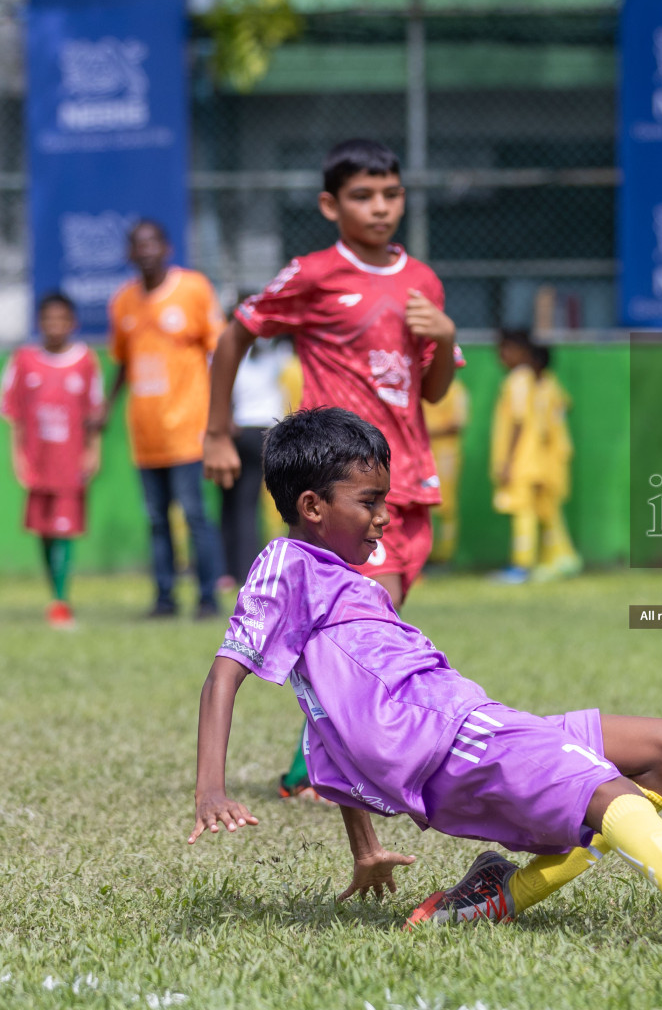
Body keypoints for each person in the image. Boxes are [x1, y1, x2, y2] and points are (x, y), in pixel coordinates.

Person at [188, 407, 662, 948]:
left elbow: (331, 722)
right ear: (310, 505)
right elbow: (225, 674)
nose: (385, 517)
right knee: (603, 788)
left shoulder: (344, 591)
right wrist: (210, 789)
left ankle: (503, 893)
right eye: (370, 502)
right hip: (453, 740)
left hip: (473, 728)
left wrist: (365, 847)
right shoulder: (286, 563)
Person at [202, 138, 461, 802]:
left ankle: (322, 768)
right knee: (360, 626)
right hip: (343, 487)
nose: (380, 208)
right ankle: (317, 772)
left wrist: (447, 338)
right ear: (330, 204)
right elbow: (236, 334)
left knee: (372, 623)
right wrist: (217, 431)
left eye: (391, 194)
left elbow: (432, 391)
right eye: (362, 196)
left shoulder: (423, 279)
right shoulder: (315, 274)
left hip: (408, 478)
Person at [105, 220, 227, 618]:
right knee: (157, 520)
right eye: (137, 246)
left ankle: (208, 596)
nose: (145, 252)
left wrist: (224, 414)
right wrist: (105, 406)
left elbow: (220, 350)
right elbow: (123, 362)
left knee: (194, 516)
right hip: (146, 431)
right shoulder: (123, 301)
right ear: (129, 254)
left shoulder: (193, 289)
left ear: (167, 247)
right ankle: (164, 598)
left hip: (188, 428)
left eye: (151, 244)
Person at [1, 293, 103, 628]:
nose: (55, 326)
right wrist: (18, 457)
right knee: (44, 531)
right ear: (39, 323)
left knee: (64, 530)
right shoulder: (23, 360)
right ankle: (54, 594)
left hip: (70, 461)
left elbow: (94, 413)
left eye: (61, 320)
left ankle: (61, 601)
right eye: (48, 320)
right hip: (38, 461)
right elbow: (15, 415)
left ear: (72, 323)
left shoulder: (86, 361)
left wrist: (93, 450)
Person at [489, 330, 580, 584]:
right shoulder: (546, 383)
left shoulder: (519, 379)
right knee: (546, 511)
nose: (501, 355)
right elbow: (562, 408)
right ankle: (561, 557)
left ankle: (523, 565)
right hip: (542, 458)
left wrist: (507, 460)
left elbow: (519, 421)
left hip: (526, 459)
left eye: (506, 349)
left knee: (525, 511)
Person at [220, 335, 290, 587]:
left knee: (230, 503)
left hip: (239, 430)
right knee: (247, 505)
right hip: (265, 431)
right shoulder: (273, 358)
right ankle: (246, 568)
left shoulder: (237, 360)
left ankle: (228, 569)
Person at [423, 377, 469, 565]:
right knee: (423, 504)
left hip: (445, 456)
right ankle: (426, 555)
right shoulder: (420, 386)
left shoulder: (456, 389)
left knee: (446, 505)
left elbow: (457, 423)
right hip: (422, 454)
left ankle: (444, 556)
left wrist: (425, 430)